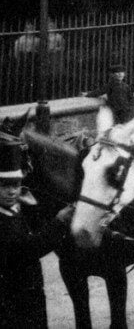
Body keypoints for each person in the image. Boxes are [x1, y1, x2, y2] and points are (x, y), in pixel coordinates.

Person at [0, 140, 74, 329]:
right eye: (4, 186)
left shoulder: (17, 209)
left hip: (30, 293)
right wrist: (59, 222)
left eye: (16, 185)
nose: (12, 191)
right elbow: (27, 249)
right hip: (10, 300)